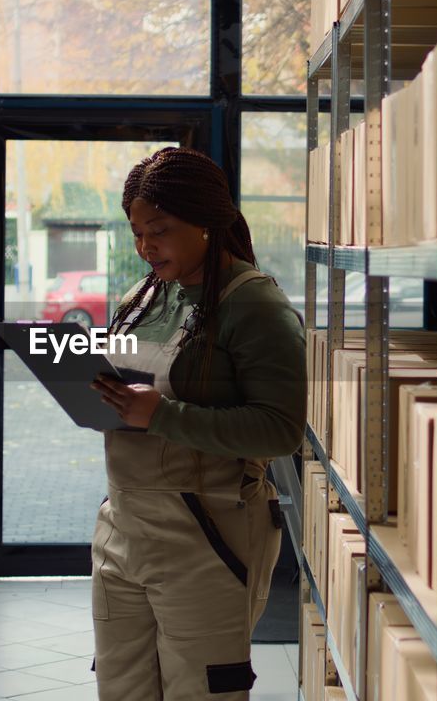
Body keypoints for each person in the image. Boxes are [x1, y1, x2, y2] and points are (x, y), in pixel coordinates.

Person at [89, 147, 306, 699]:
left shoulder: (253, 304)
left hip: (206, 532)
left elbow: (279, 429)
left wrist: (163, 416)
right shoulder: (144, 296)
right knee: (122, 687)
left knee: (200, 690)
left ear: (207, 222)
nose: (144, 246)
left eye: (158, 230)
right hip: (124, 525)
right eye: (137, 232)